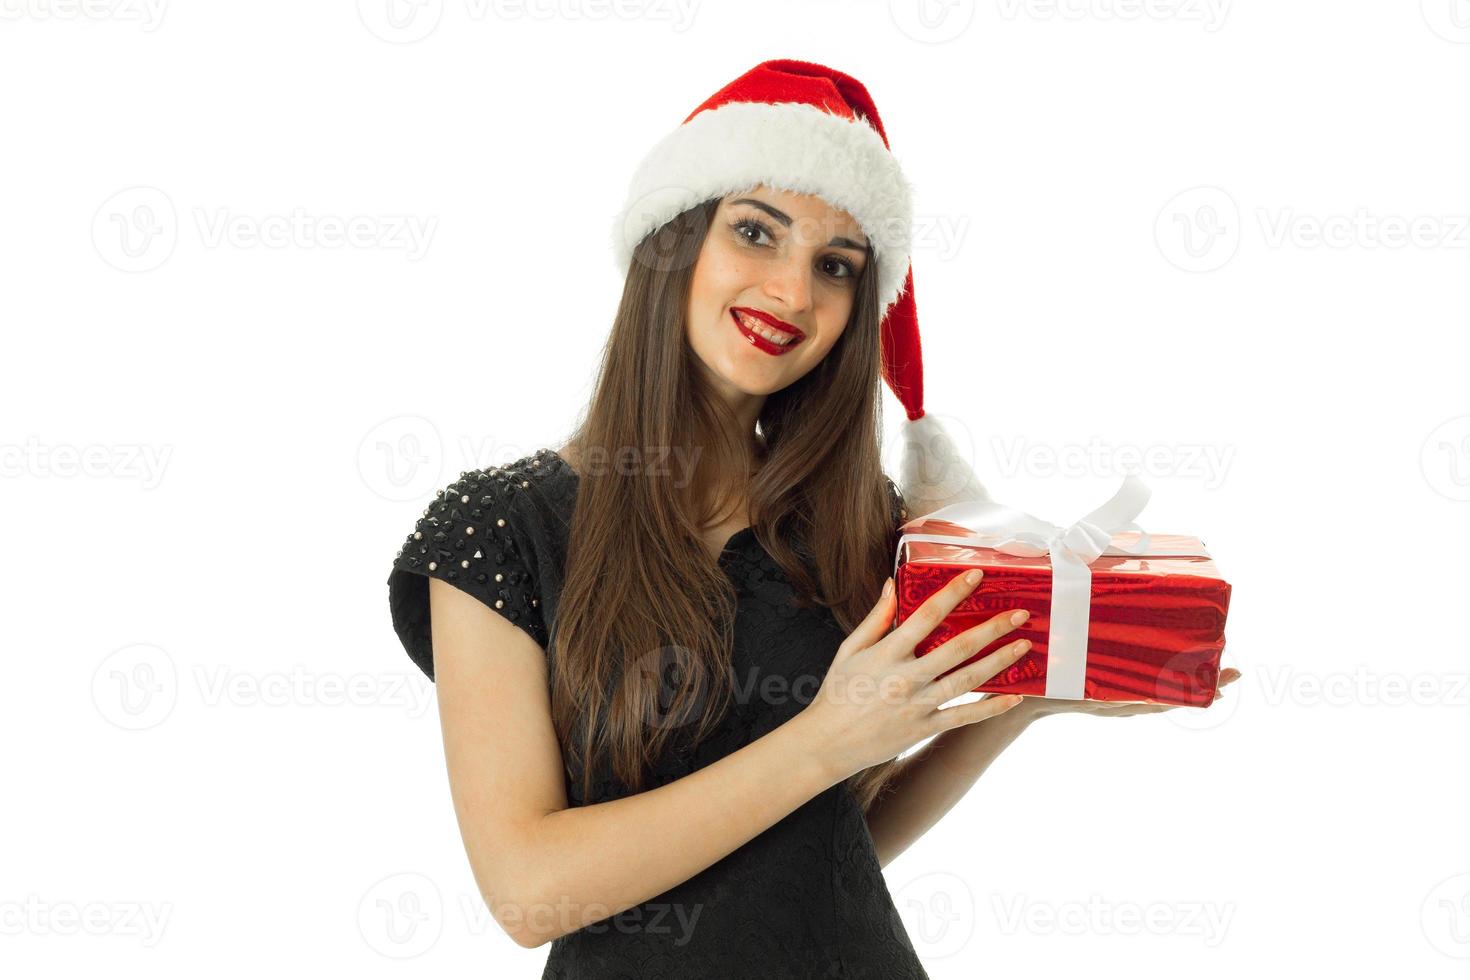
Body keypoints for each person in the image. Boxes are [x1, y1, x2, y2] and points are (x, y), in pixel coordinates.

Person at [385, 59, 1238, 978]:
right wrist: (826, 735)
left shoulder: (860, 524)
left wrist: (1012, 708)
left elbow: (829, 838)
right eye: (757, 232)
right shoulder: (498, 530)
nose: (794, 293)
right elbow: (529, 891)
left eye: (836, 266)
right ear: (673, 240)